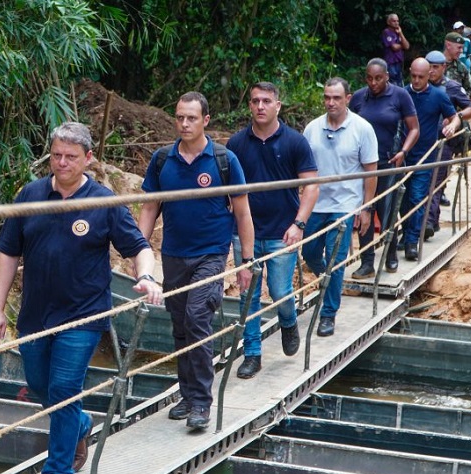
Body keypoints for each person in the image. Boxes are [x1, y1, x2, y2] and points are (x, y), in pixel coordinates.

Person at [0, 122, 162, 474]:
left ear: (88, 159)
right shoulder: (30, 196)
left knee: (64, 389)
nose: (61, 163)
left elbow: (139, 247)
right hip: (34, 316)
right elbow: (8, 256)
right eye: (56, 155)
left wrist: (147, 276)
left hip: (82, 317)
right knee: (40, 389)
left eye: (70, 157)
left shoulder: (103, 202)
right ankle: (80, 425)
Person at [138, 92, 254, 430]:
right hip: (173, 254)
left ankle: (202, 402)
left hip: (211, 254)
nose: (184, 124)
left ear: (206, 120)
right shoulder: (162, 160)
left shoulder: (224, 160)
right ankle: (187, 395)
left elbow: (243, 212)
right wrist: (139, 251)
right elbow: (149, 208)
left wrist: (247, 260)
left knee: (196, 320)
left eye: (191, 118)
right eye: (179, 118)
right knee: (179, 326)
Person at [225, 82, 319, 379]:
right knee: (247, 295)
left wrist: (299, 224)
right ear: (249, 106)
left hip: (282, 231)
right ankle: (252, 354)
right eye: (255, 101)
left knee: (280, 291)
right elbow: (227, 190)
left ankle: (288, 322)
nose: (260, 106)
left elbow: (311, 185)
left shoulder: (294, 141)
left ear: (278, 105)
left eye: (266, 101)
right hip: (245, 233)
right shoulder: (236, 144)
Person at [302, 78, 378, 337]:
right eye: (326, 97)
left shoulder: (362, 128)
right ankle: (329, 281)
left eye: (336, 97)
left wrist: (366, 208)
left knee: (336, 260)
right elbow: (302, 168)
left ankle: (328, 314)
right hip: (316, 203)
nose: (330, 102)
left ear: (348, 98)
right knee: (309, 253)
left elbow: (371, 172)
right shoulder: (312, 128)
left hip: (345, 205)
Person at [349, 58, 420, 277]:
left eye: (378, 78)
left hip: (389, 163)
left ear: (387, 76)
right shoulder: (360, 97)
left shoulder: (400, 95)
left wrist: (404, 152)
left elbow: (414, 128)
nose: (373, 83)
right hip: (362, 165)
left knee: (386, 211)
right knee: (365, 210)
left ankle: (390, 253)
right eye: (369, 78)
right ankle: (367, 260)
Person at [395, 58, 461, 261]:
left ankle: (412, 241)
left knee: (417, 198)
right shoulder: (402, 94)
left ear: (428, 76)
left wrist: (452, 126)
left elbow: (455, 116)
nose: (416, 80)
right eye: (413, 76)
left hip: (426, 157)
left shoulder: (438, 95)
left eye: (420, 77)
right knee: (403, 200)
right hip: (403, 157)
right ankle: (406, 232)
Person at [424, 51, 471, 235]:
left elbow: (470, 108)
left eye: (435, 67)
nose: (431, 71)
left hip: (444, 141)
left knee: (435, 182)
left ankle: (428, 223)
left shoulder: (451, 87)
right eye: (428, 66)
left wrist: (455, 118)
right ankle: (431, 220)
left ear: (444, 67)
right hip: (422, 141)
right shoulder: (420, 85)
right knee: (424, 182)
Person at [442, 32, 471, 99]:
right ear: (448, 45)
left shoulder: (462, 68)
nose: (461, 51)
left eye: (462, 48)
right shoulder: (433, 65)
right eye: (459, 47)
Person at [382, 14, 410, 87]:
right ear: (388, 22)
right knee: (393, 83)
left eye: (397, 21)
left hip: (399, 62)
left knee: (400, 82)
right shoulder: (386, 32)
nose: (396, 23)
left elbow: (407, 46)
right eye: (394, 21)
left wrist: (401, 33)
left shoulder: (398, 32)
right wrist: (402, 45)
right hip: (391, 62)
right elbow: (394, 47)